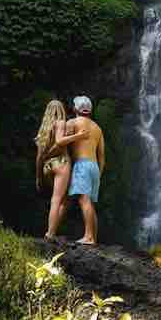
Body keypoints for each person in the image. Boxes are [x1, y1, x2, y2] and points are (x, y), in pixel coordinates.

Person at [34, 99, 86, 241]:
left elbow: (39, 157)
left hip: (47, 167)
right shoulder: (61, 123)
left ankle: (52, 230)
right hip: (61, 163)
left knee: (63, 198)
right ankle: (50, 233)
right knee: (58, 199)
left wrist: (38, 177)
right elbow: (60, 142)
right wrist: (79, 135)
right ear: (61, 110)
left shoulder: (43, 129)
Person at [64, 95, 105, 246]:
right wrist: (99, 174)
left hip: (82, 164)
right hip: (94, 167)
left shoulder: (72, 122)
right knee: (90, 203)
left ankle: (88, 237)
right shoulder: (98, 128)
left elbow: (63, 144)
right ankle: (93, 237)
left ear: (75, 108)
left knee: (84, 200)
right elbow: (102, 156)